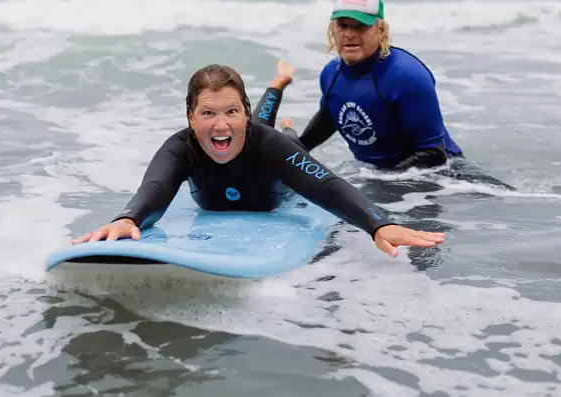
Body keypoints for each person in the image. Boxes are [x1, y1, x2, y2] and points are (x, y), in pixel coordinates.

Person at [73, 63, 445, 259]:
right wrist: (127, 218)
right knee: (241, 134)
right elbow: (153, 189)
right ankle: (279, 82)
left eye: (232, 110)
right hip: (254, 132)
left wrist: (377, 223)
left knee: (288, 140)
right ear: (189, 117)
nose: (219, 123)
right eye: (207, 113)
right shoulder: (180, 147)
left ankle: (281, 108)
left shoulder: (266, 144)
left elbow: (327, 185)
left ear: (245, 113)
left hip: (273, 146)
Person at [288, 0, 464, 171]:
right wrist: (295, 151)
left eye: (361, 26)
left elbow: (434, 155)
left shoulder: (407, 76)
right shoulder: (331, 74)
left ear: (381, 30)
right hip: (381, 179)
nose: (350, 34)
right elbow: (329, 117)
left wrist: (380, 181)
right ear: (332, 29)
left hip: (444, 177)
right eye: (343, 25)